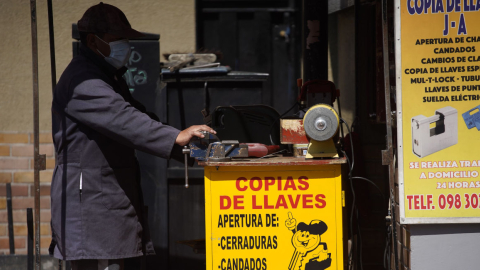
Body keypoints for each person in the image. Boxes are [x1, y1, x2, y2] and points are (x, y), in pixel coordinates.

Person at [49, 3, 215, 269]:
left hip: (102, 199)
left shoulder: (106, 75)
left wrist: (188, 147)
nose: (125, 47)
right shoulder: (83, 80)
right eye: (117, 40)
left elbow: (140, 116)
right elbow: (123, 118)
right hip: (91, 202)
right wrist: (175, 137)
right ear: (93, 41)